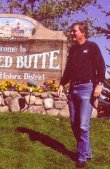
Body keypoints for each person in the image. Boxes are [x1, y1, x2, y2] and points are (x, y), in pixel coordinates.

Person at [57, 22, 105, 168]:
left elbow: (100, 66)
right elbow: (68, 69)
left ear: (82, 32)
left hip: (87, 89)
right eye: (72, 31)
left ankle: (81, 156)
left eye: (74, 31)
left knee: (83, 125)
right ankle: (87, 150)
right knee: (74, 124)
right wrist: (61, 83)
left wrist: (99, 84)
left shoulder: (92, 47)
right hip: (73, 89)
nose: (72, 33)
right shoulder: (73, 50)